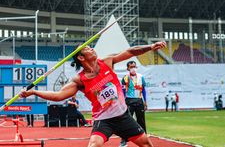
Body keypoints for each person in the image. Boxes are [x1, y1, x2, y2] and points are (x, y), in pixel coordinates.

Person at [20, 41, 166, 147]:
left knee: (146, 144)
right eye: (88, 49)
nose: (92, 49)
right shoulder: (79, 80)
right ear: (81, 58)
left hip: (123, 117)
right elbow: (58, 96)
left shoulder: (107, 62)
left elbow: (131, 51)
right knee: (94, 146)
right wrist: (33, 91)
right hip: (104, 121)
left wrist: (151, 47)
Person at [119, 61, 147, 147]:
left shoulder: (141, 77)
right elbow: (122, 91)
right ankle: (124, 141)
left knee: (141, 120)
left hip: (139, 101)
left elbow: (143, 90)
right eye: (131, 67)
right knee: (126, 121)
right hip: (129, 101)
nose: (133, 68)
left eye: (134, 66)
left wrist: (145, 101)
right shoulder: (125, 78)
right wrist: (123, 102)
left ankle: (145, 139)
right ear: (128, 68)